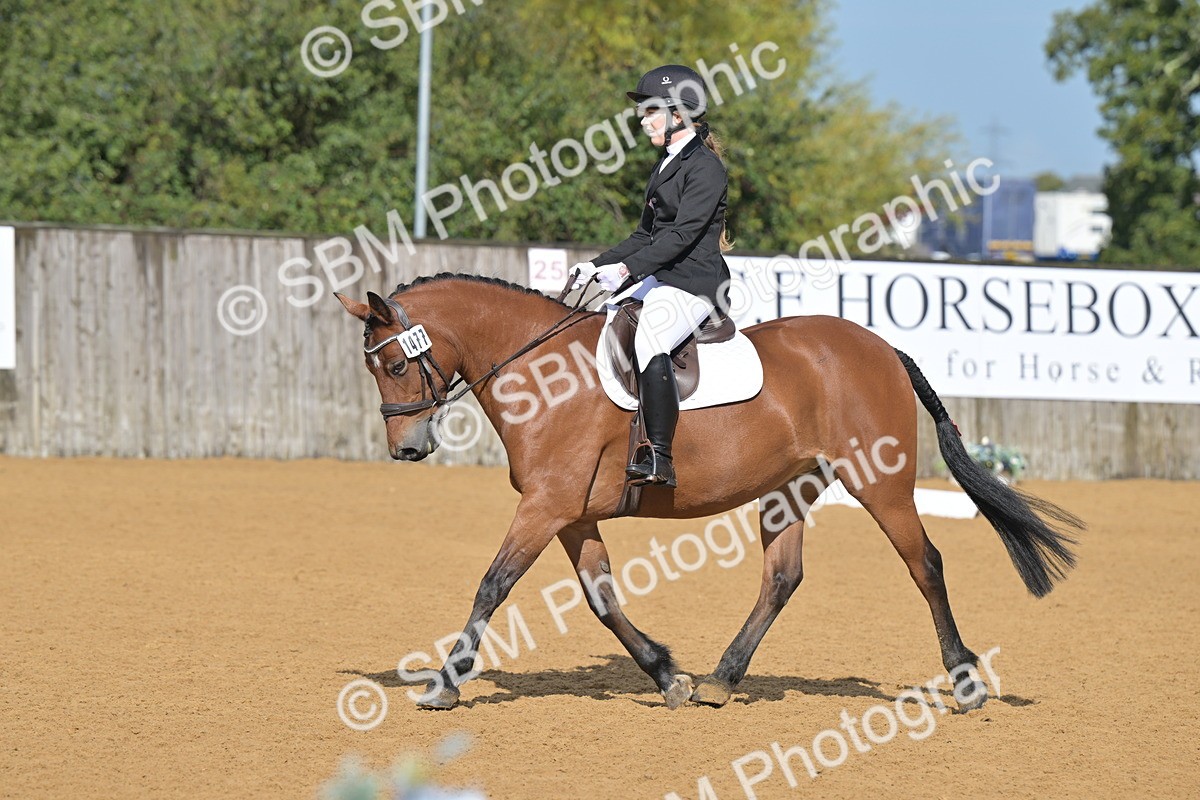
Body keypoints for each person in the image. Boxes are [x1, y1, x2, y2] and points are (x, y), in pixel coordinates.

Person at [572, 64, 733, 489]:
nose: (643, 121)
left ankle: (659, 455)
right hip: (662, 276)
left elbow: (682, 235)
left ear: (678, 114)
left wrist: (628, 270)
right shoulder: (666, 164)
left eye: (650, 112)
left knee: (651, 339)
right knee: (606, 316)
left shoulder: (706, 169)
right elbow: (645, 235)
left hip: (695, 282)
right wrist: (596, 264)